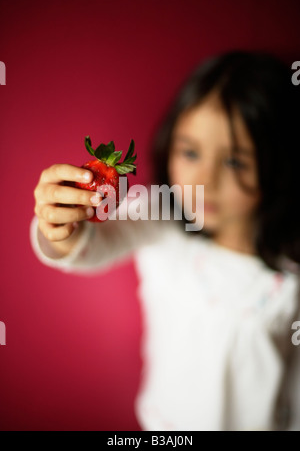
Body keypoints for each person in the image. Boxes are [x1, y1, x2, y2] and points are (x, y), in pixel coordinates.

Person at [30, 50, 300, 431]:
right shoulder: (158, 218)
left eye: (235, 161)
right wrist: (58, 225)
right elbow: (88, 246)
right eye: (191, 152)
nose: (204, 180)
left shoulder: (291, 275)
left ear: (280, 166)